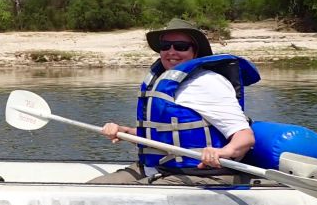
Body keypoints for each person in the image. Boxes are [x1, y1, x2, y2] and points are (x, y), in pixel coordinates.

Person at [89, 18, 259, 185]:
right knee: (93, 188)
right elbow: (164, 135)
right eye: (165, 46)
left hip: (200, 173)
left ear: (195, 52)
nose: (171, 52)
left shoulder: (207, 82)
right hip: (160, 168)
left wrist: (223, 152)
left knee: (114, 196)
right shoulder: (165, 81)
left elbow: (244, 136)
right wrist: (124, 131)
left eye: (180, 46)